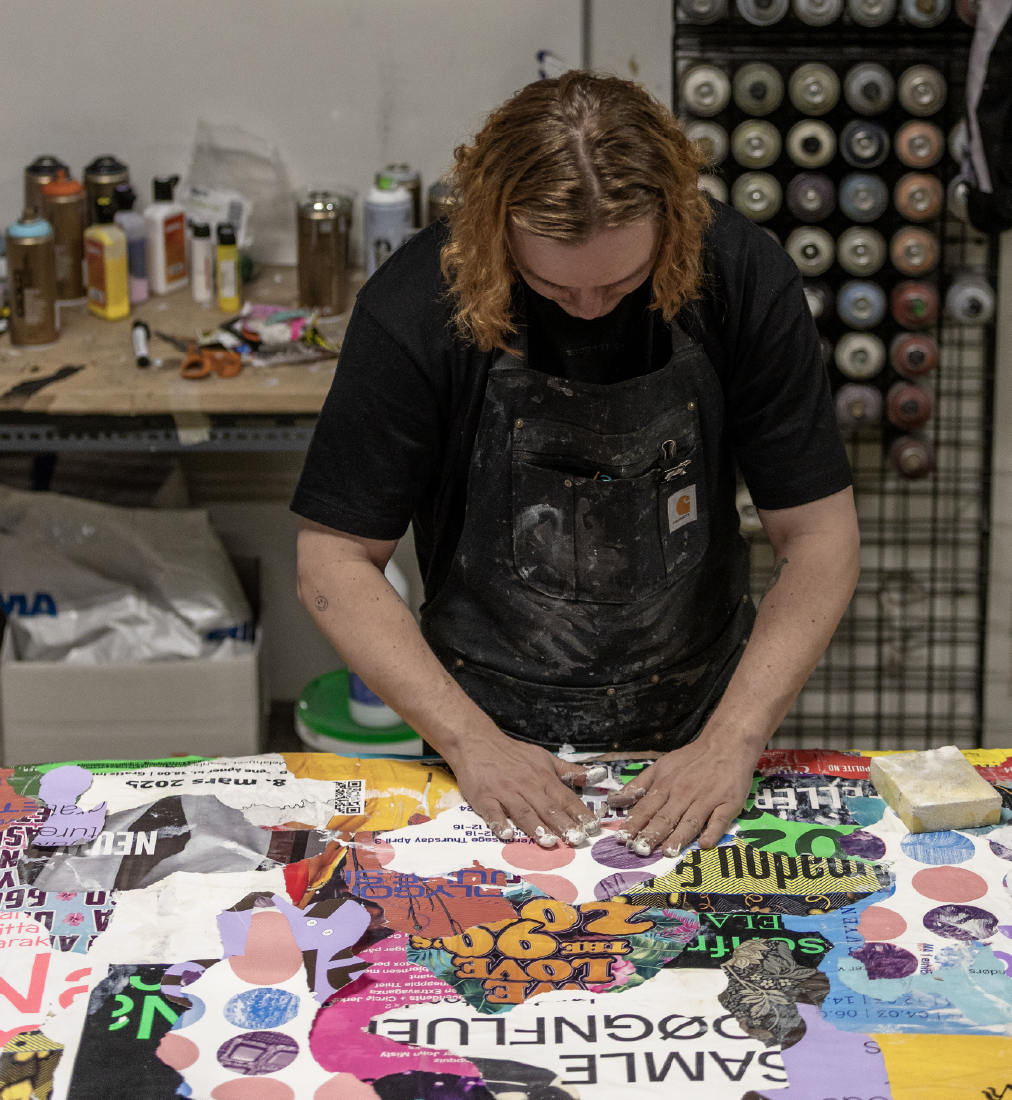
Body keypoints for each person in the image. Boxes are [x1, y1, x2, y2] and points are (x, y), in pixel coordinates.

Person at [292, 71, 860, 857]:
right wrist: (469, 741)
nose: (590, 308)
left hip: (701, 722)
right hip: (488, 734)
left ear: (673, 221)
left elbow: (821, 539)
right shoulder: (418, 302)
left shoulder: (740, 275)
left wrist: (733, 738)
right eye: (551, 285)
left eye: (622, 281)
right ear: (496, 230)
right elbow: (332, 560)